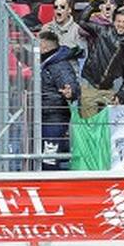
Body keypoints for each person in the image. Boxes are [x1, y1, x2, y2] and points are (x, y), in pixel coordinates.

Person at [38, 29, 79, 170]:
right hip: (42, 116)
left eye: (38, 45)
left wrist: (71, 92)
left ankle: (50, 189)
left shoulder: (59, 65)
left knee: (49, 159)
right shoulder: (46, 63)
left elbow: (72, 85)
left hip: (54, 117)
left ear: (45, 48)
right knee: (41, 157)